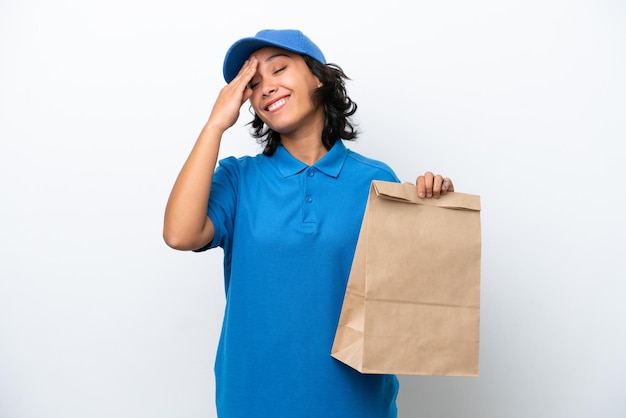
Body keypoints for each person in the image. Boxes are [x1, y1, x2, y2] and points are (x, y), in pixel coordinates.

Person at [163, 29, 454, 418]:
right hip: (252, 402)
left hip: (356, 404)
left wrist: (433, 208)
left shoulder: (376, 180)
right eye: (253, 84)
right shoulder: (237, 180)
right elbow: (179, 234)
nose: (266, 87)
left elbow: (410, 293)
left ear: (318, 77)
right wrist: (215, 124)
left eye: (279, 69)